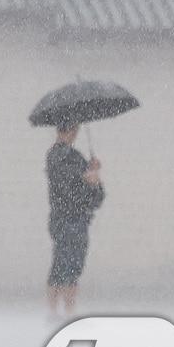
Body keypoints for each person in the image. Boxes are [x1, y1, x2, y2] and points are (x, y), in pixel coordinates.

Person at [46, 123, 105, 317]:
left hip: (74, 218)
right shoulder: (60, 157)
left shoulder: (72, 157)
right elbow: (69, 191)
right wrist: (87, 179)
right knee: (66, 264)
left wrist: (93, 176)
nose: (73, 133)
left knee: (70, 264)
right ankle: (61, 310)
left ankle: (62, 310)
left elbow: (94, 198)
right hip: (68, 218)